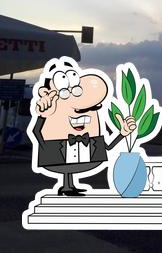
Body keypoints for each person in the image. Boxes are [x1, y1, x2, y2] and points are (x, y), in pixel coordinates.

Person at [30, 58, 137, 195]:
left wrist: (123, 133)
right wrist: (46, 148)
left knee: (70, 166)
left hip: (83, 148)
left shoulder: (93, 134)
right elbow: (35, 130)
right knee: (65, 166)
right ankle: (67, 187)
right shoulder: (51, 111)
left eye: (91, 108)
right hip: (58, 147)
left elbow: (108, 147)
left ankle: (69, 186)